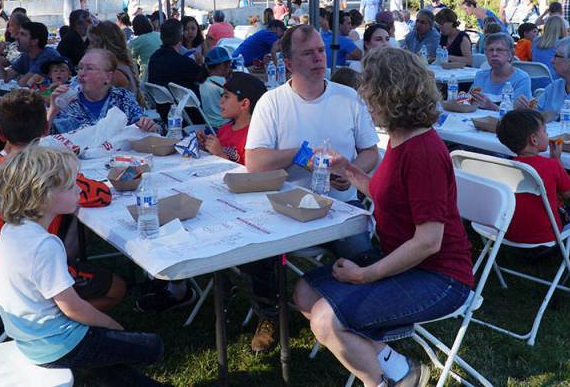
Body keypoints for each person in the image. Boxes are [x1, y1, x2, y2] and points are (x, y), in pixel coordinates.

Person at [293, 47, 472, 387]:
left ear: (390, 95)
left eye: (370, 94)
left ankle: (382, 382)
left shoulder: (423, 152)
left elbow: (429, 242)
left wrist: (365, 275)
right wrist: (346, 167)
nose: (366, 102)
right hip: (405, 263)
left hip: (441, 278)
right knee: (304, 292)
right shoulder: (400, 138)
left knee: (325, 320)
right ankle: (400, 368)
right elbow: (389, 197)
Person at [245, 25, 380, 351]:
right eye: (308, 53)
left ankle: (362, 320)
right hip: (286, 207)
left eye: (321, 50)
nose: (319, 58)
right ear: (289, 64)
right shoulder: (272, 103)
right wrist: (300, 154)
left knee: (366, 260)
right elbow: (255, 163)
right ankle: (270, 314)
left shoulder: (348, 98)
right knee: (253, 253)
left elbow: (370, 152)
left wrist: (349, 172)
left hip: (342, 206)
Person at [0, 145, 166, 384]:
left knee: (112, 366)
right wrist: (112, 327)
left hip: (30, 339)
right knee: (152, 347)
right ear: (45, 195)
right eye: (71, 186)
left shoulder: (12, 231)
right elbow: (72, 308)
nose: (78, 190)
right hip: (59, 344)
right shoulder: (44, 245)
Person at [0, 89, 126, 311]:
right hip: (41, 272)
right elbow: (102, 194)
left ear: (0, 134)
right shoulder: (53, 173)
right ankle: (57, 315)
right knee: (118, 288)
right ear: (46, 130)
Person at [495, 109, 570, 243]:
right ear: (534, 139)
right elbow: (568, 193)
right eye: (544, 131)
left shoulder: (506, 167)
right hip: (546, 236)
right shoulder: (551, 165)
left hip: (508, 233)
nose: (547, 134)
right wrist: (557, 160)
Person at [51, 49, 158, 134]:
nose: (81, 73)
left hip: (118, 160)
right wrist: (52, 110)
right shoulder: (66, 99)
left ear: (108, 76)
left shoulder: (122, 98)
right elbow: (42, 140)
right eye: (80, 68)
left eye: (89, 68)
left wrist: (148, 125)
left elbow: (144, 128)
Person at [198, 72, 266, 166]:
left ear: (244, 104)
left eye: (226, 96)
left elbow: (250, 175)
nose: (221, 101)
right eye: (222, 95)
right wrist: (207, 146)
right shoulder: (224, 129)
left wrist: (220, 154)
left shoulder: (254, 137)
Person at [469, 33, 532, 110]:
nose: (494, 54)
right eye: (490, 50)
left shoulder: (521, 79)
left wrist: (493, 107)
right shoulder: (480, 76)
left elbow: (519, 114)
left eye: (499, 50)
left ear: (510, 54)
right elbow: (469, 102)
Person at [146, 18, 205, 99]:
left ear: (161, 37)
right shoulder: (183, 62)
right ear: (181, 37)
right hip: (184, 108)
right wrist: (200, 63)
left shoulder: (154, 58)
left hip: (161, 107)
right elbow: (203, 79)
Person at [0, 21, 61, 85]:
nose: (17, 37)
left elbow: (22, 84)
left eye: (22, 34)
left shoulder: (48, 55)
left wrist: (18, 79)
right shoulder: (26, 55)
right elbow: (4, 79)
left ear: (34, 41)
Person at [88, 20, 143, 99]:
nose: (89, 47)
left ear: (103, 45)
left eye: (92, 42)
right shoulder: (122, 63)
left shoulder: (115, 73)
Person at [198, 47, 237, 129]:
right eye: (229, 64)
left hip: (210, 127)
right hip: (225, 125)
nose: (230, 68)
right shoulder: (223, 83)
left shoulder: (204, 82)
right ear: (222, 65)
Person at [531, 15, 567, 83]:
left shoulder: (535, 41)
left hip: (535, 82)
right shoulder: (563, 44)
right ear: (562, 28)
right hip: (555, 84)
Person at [129, 15, 161, 81]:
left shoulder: (137, 41)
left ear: (135, 27)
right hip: (162, 71)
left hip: (147, 75)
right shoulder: (159, 35)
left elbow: (126, 55)